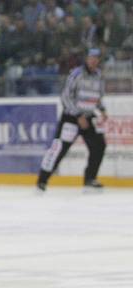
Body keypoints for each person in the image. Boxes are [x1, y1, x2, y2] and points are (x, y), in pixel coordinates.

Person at [37, 48, 107, 192]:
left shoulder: (99, 76)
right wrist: (78, 115)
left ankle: (90, 179)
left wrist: (103, 110)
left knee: (99, 146)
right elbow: (66, 97)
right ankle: (42, 181)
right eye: (91, 57)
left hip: (88, 118)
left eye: (96, 58)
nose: (93, 60)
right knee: (59, 149)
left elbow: (98, 98)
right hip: (71, 118)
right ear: (86, 59)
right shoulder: (76, 74)